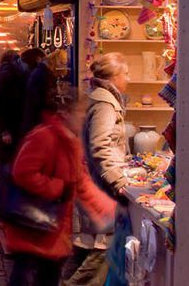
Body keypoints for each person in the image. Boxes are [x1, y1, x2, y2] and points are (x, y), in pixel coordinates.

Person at [5, 98, 116, 286]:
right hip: (32, 227)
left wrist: (108, 209)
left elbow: (81, 182)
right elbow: (22, 173)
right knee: (27, 278)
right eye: (80, 114)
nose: (84, 119)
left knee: (47, 277)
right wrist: (59, 188)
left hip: (53, 232)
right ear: (66, 114)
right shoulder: (44, 136)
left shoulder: (72, 142)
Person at [63, 53, 132, 286]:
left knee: (87, 251)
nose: (128, 78)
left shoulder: (100, 98)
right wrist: (118, 180)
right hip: (100, 188)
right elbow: (100, 146)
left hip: (93, 185)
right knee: (99, 254)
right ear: (114, 76)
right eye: (125, 73)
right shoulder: (105, 103)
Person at [0, 50, 27, 164]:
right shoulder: (7, 75)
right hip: (7, 126)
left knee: (9, 160)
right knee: (7, 161)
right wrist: (3, 130)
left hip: (9, 126)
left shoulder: (10, 74)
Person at [19, 47, 56, 143]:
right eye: (45, 58)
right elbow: (39, 99)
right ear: (38, 59)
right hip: (38, 120)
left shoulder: (31, 73)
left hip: (31, 120)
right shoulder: (41, 73)